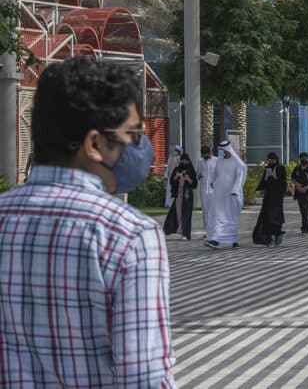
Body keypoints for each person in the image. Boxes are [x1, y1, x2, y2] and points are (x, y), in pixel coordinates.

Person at [0, 56, 176, 387]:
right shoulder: (130, 236)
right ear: (95, 144)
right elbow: (143, 379)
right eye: (133, 134)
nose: (141, 147)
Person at [204, 141, 247, 249]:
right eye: (221, 150)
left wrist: (235, 190)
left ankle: (233, 240)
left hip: (231, 196)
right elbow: (215, 174)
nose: (222, 153)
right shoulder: (219, 161)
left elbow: (240, 177)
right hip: (219, 194)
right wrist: (212, 183)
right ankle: (215, 240)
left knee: (230, 218)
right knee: (217, 216)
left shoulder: (237, 162)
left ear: (228, 150)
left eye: (223, 150)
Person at [253, 151, 288, 246]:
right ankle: (269, 239)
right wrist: (266, 178)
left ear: (276, 160)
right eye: (269, 160)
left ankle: (277, 235)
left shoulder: (281, 168)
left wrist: (275, 177)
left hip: (277, 198)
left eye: (272, 160)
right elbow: (264, 183)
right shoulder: (267, 168)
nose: (271, 162)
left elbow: (283, 183)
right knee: (267, 217)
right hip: (268, 197)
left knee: (275, 217)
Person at [163, 152, 198, 240]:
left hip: (187, 196)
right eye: (182, 160)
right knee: (178, 214)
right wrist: (176, 177)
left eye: (186, 161)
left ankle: (185, 234)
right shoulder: (177, 169)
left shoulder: (191, 170)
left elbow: (195, 184)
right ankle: (180, 230)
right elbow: (172, 181)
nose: (184, 162)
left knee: (186, 214)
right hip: (178, 195)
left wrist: (188, 179)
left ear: (188, 161)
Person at [291, 152, 308, 234]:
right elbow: (292, 178)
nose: (304, 160)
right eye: (302, 158)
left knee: (305, 208)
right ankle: (306, 227)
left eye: (305, 158)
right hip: (299, 192)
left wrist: (306, 188)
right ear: (300, 159)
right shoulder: (297, 169)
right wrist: (297, 185)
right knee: (302, 210)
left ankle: (305, 228)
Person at [196, 144, 217, 238]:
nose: (205, 156)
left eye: (206, 154)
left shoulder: (216, 160)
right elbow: (197, 175)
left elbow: (219, 174)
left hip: (213, 190)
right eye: (203, 154)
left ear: (210, 152)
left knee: (213, 211)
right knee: (205, 211)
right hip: (204, 189)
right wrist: (199, 176)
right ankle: (207, 232)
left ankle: (214, 231)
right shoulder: (201, 162)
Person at [164, 143, 182, 208]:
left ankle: (175, 204)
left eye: (177, 150)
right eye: (175, 150)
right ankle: (168, 204)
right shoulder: (170, 157)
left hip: (177, 178)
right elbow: (168, 167)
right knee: (169, 190)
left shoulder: (181, 159)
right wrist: (166, 176)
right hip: (170, 177)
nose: (175, 151)